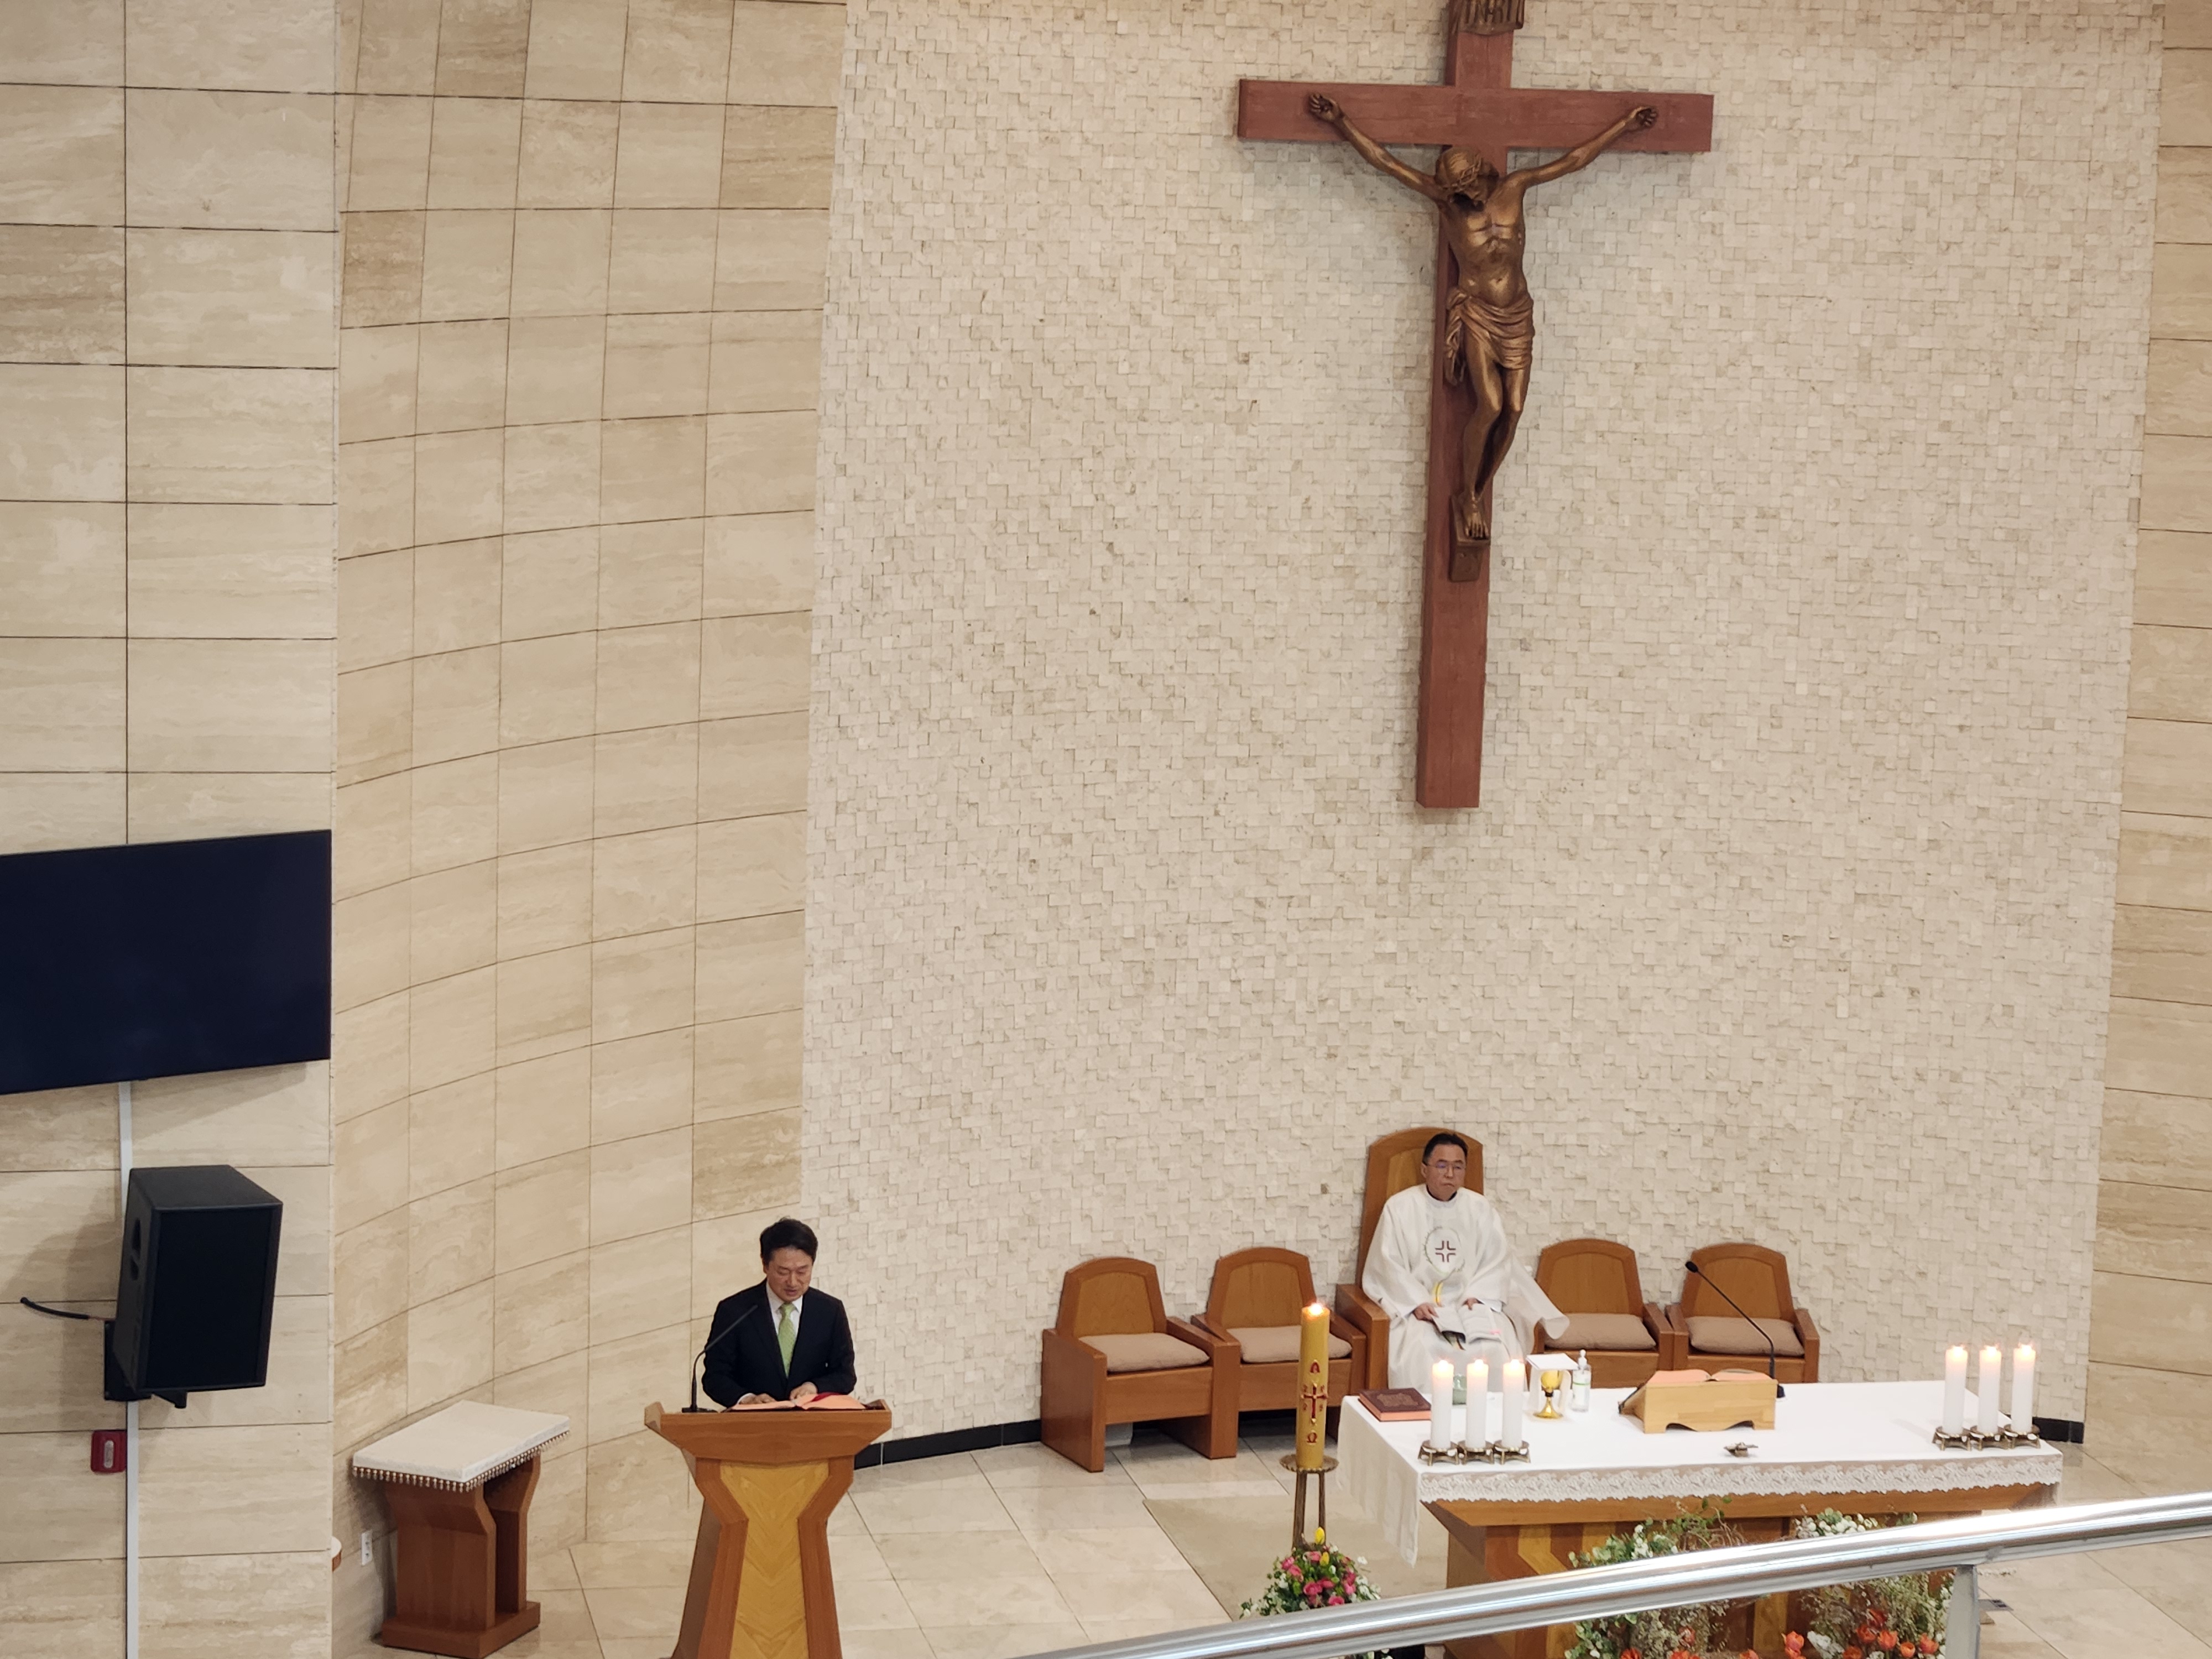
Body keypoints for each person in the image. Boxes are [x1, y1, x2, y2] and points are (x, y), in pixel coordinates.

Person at [1304, 94, 1658, 550]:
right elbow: (1386, 163)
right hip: (1478, 315)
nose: (1463, 195)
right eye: (1455, 190)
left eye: (1467, 185)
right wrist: (1341, 121)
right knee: (1489, 406)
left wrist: (1624, 126)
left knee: (1515, 409)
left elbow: (1574, 160)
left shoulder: (1516, 187)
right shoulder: (1448, 204)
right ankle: (1469, 497)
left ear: (1481, 173)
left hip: (1517, 314)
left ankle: (1479, 487)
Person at [1361, 1131, 1564, 1389]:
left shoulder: (1479, 1208)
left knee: (1495, 1348)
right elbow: (1387, 1264)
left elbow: (1497, 1259)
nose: (1450, 1174)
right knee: (1422, 1349)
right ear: (1424, 1170)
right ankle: (1427, 1414)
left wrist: (1479, 1294)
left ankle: (1493, 1414)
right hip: (1423, 1310)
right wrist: (1415, 1301)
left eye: (1458, 1167)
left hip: (1469, 1305)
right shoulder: (1400, 1207)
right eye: (1442, 1166)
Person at [702, 1217, 857, 1407]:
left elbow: (845, 1374)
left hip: (812, 1420)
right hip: (753, 1421)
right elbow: (715, 1377)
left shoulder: (829, 1311)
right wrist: (747, 1398)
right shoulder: (735, 1311)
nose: (793, 1282)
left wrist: (814, 1387)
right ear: (765, 1265)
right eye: (783, 1272)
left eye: (802, 1271)